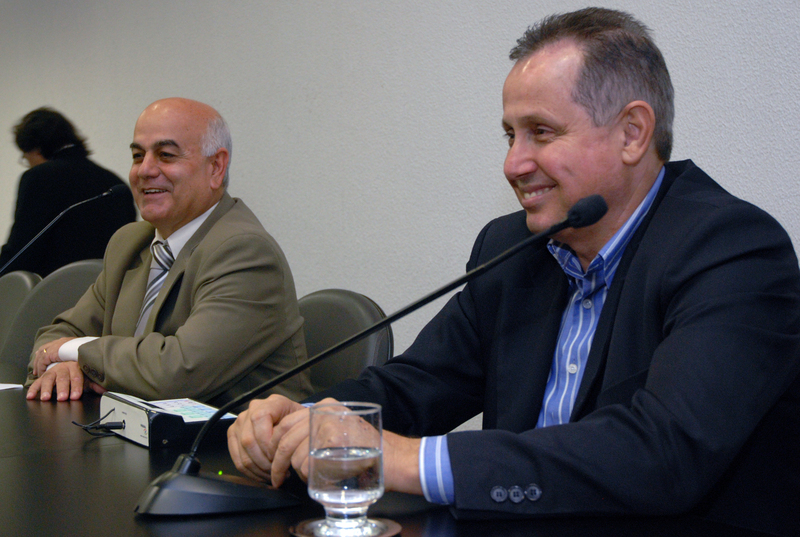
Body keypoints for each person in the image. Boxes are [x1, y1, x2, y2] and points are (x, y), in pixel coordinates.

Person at [226, 8, 800, 536]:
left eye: (541, 132)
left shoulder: (731, 250)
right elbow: (417, 384)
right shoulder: (513, 248)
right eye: (510, 135)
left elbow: (665, 452)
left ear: (632, 133)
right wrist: (306, 423)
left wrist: (401, 458)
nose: (513, 163)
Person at [25, 98, 312, 408]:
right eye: (138, 156)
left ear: (216, 167)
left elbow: (175, 373)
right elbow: (60, 333)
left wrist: (74, 352)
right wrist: (61, 367)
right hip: (128, 428)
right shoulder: (130, 241)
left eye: (165, 155)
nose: (145, 170)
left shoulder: (245, 251)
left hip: (230, 434)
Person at [0, 107, 137, 277]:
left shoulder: (39, 177)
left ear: (35, 149)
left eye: (25, 157)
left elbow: (22, 250)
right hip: (110, 289)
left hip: (55, 288)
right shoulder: (115, 183)